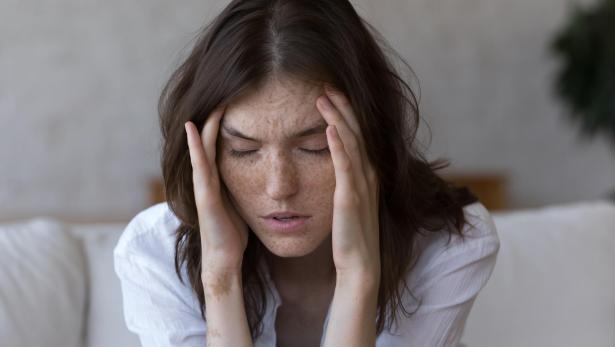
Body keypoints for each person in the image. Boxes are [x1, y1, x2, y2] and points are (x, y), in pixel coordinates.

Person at [114, 0, 501, 346]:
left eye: (314, 149)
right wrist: (221, 279)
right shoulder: (154, 253)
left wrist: (357, 278)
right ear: (208, 154)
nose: (279, 187)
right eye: (244, 151)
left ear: (370, 139)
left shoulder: (449, 244)